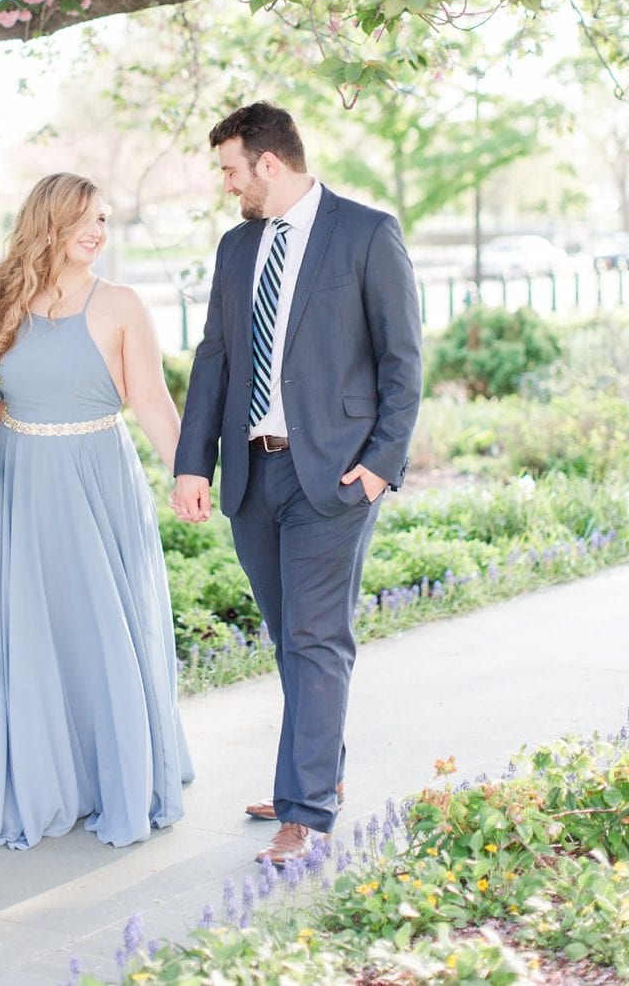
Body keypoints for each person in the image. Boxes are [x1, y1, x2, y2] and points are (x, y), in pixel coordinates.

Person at [172, 101, 422, 866]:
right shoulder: (236, 247)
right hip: (255, 472)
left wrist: (381, 464)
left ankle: (305, 810)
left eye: (230, 170)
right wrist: (192, 462)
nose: (226, 186)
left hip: (336, 476)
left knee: (316, 637)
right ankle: (313, 774)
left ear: (269, 164)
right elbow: (214, 357)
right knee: (291, 638)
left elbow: (402, 361)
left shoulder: (366, 233)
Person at [0, 172, 193, 852]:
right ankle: (44, 778)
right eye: (85, 218)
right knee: (28, 630)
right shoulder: (6, 303)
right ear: (47, 223)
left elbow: (150, 399)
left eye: (105, 220)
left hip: (95, 480)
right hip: (16, 488)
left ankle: (117, 772)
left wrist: (187, 475)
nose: (98, 232)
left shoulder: (120, 304)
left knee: (101, 628)